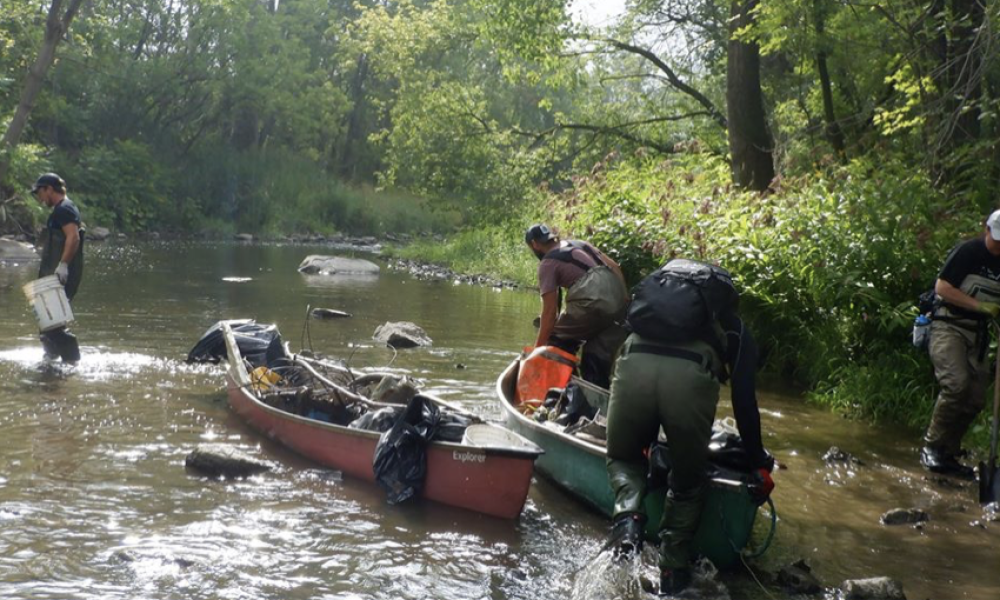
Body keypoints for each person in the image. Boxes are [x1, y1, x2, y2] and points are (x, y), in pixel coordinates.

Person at [604, 259, 773, 596]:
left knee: (623, 458)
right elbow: (744, 403)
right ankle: (672, 572)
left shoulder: (646, 313)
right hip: (690, 381)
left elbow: (616, 356)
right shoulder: (734, 328)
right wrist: (758, 464)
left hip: (632, 365)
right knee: (688, 481)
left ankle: (628, 521)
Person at [920, 209, 1000, 479]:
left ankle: (948, 451)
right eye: (996, 238)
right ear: (986, 230)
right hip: (949, 325)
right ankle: (932, 446)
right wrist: (979, 305)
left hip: (978, 333)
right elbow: (942, 287)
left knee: (975, 398)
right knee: (956, 384)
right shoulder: (969, 252)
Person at [523, 224, 628, 388]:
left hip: (591, 302)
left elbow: (549, 313)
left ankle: (561, 391)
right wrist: (625, 298)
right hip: (618, 305)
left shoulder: (548, 263)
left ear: (534, 244)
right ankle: (597, 395)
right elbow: (614, 266)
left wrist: (538, 351)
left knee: (555, 340)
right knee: (595, 356)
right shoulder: (581, 244)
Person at [31, 173, 84, 362]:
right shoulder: (61, 209)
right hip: (52, 276)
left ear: (49, 189)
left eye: (39, 192)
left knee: (53, 326)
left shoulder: (64, 209)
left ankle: (72, 364)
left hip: (61, 275)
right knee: (46, 323)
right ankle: (50, 363)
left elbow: (73, 237)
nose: (39, 197)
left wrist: (63, 265)